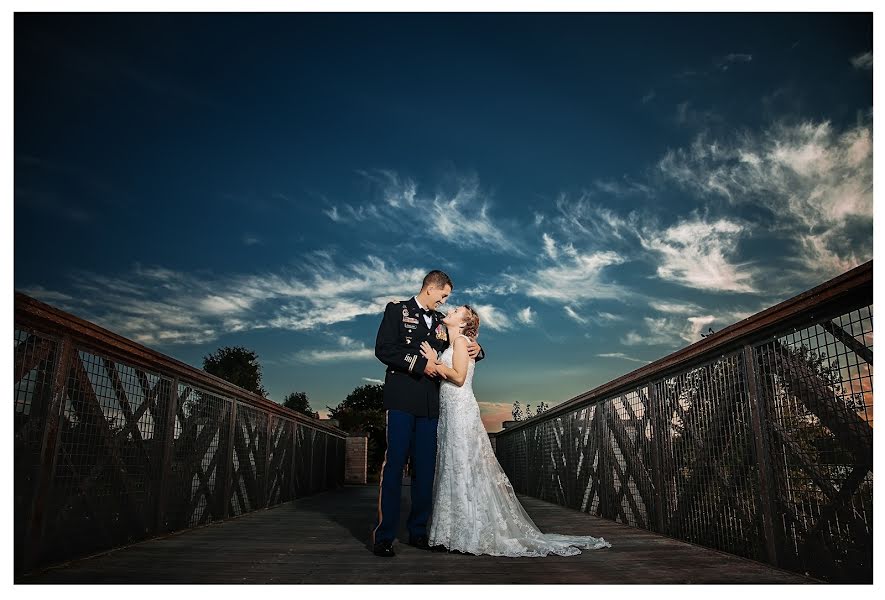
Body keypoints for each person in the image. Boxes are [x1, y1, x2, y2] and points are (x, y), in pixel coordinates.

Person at [421, 305, 611, 557]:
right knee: (455, 465)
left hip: (459, 408)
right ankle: (456, 530)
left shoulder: (459, 341)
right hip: (450, 410)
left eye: (456, 309)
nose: (450, 307)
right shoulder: (454, 340)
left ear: (465, 322)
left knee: (463, 464)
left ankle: (468, 532)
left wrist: (434, 363)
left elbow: (457, 377)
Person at [371, 270, 484, 558]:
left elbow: (459, 349)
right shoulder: (398, 310)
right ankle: (385, 535)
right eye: (444, 295)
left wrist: (478, 348)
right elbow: (384, 349)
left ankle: (418, 531)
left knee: (425, 469)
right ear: (431, 289)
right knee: (395, 464)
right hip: (401, 397)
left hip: (430, 403)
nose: (445, 301)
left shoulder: (441, 323)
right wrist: (422, 365)